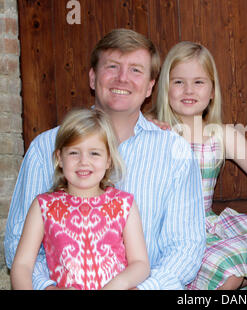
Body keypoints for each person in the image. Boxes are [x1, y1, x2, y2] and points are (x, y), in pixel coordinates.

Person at [4, 28, 205, 290]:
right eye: (112, 66)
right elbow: (18, 244)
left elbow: (186, 247)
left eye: (135, 70)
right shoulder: (45, 147)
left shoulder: (175, 152)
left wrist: (141, 289)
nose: (122, 78)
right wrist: (47, 287)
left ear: (150, 87)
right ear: (92, 77)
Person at [153, 41, 247, 290]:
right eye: (178, 82)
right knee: (222, 273)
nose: (189, 90)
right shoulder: (154, 132)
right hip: (167, 230)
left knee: (234, 269)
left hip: (205, 227)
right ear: (165, 88)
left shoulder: (222, 134)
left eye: (198, 82)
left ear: (212, 92)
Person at [10, 108, 150, 290]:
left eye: (95, 153)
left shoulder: (124, 204)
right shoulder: (44, 206)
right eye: (74, 153)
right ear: (60, 158)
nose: (84, 161)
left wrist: (118, 284)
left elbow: (140, 263)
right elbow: (22, 266)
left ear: (109, 160)